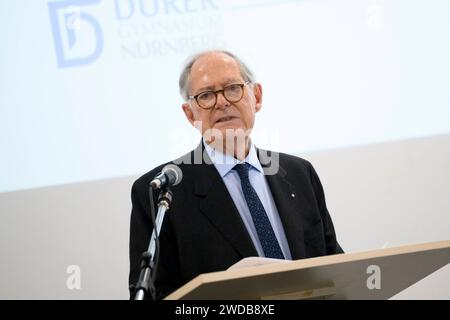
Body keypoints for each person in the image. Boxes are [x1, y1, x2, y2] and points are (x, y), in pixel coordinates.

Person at [129, 50, 343, 299]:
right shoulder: (161, 191)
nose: (222, 102)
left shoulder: (299, 174)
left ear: (257, 96)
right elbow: (154, 294)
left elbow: (331, 264)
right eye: (206, 95)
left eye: (232, 88)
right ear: (190, 114)